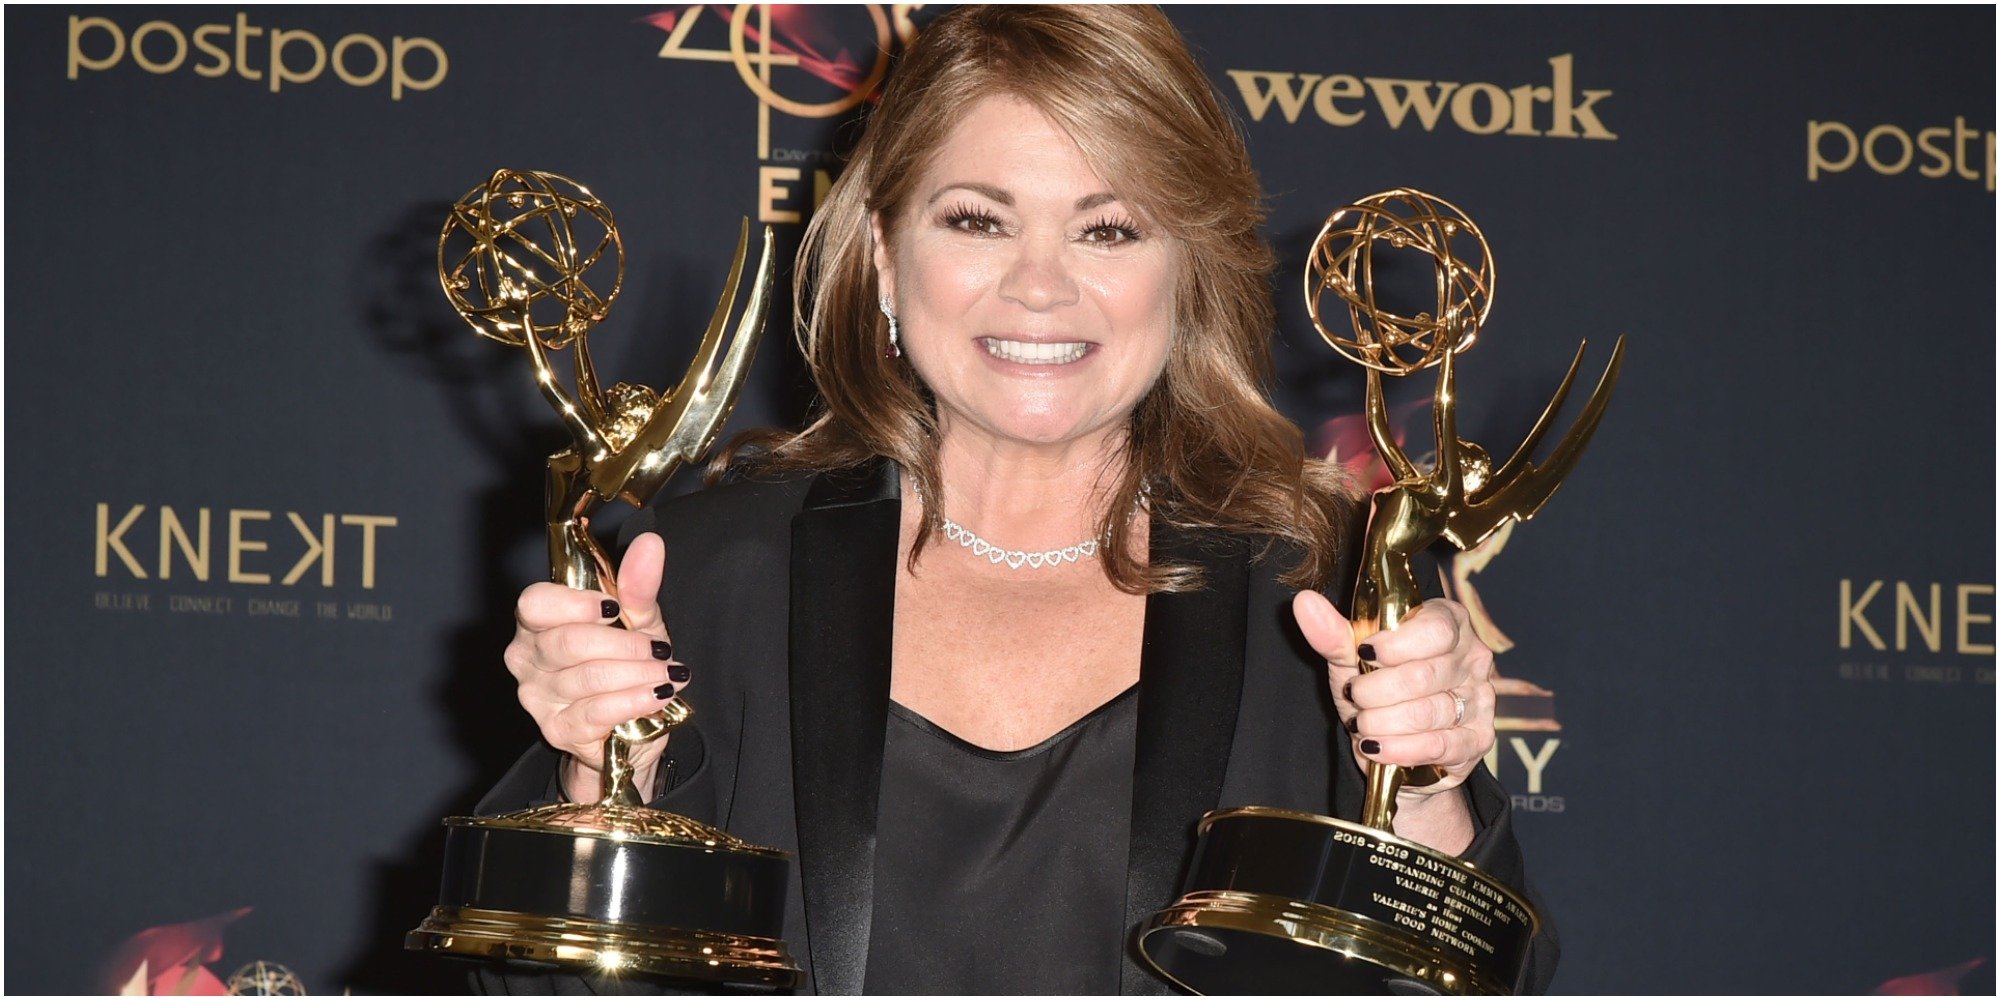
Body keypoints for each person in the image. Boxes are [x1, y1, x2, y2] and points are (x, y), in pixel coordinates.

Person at [482, 6, 1556, 994]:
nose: (1038, 284)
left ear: (1185, 270)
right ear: (883, 255)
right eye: (977, 221)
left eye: (1108, 229)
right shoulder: (709, 575)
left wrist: (1423, 797)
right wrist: (592, 780)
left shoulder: (1318, 597)